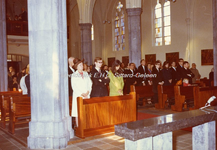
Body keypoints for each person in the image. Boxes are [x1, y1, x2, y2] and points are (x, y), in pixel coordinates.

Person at [71, 58, 92, 127]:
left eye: (82, 65)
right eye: (80, 65)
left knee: (86, 112)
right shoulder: (74, 75)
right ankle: (79, 127)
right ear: (76, 67)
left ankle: (86, 127)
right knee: (78, 112)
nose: (82, 66)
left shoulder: (86, 73)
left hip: (86, 95)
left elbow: (90, 83)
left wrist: (88, 92)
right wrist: (82, 94)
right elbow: (74, 87)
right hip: (79, 96)